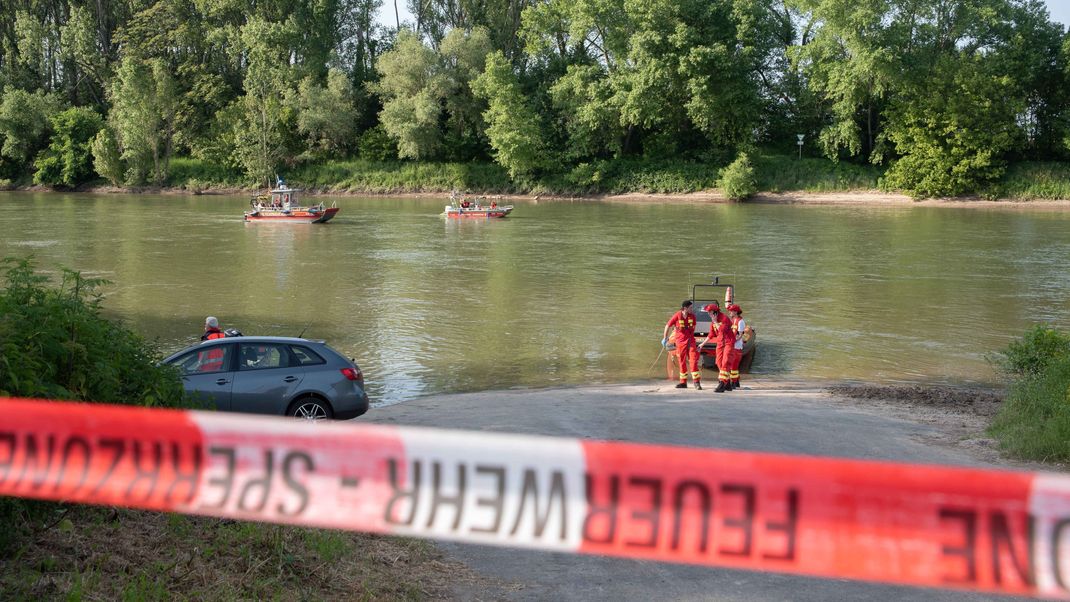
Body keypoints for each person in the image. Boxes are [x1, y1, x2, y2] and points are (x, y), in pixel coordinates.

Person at [662, 300, 702, 390]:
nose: (692, 309)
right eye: (690, 307)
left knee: (693, 361)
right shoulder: (677, 315)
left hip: (691, 341)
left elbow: (693, 328)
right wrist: (665, 338)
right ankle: (683, 382)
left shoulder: (693, 317)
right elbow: (667, 325)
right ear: (685, 308)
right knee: (682, 362)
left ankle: (696, 382)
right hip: (680, 342)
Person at [699, 301, 734, 393]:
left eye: (710, 312)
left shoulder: (724, 318)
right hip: (720, 343)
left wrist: (715, 322)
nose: (708, 314)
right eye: (708, 313)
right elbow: (711, 334)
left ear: (715, 312)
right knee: (718, 362)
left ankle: (722, 383)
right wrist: (702, 344)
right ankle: (728, 383)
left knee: (725, 362)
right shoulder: (713, 321)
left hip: (728, 343)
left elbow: (722, 330)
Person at [727, 304, 747, 390]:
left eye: (731, 311)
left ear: (735, 312)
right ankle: (736, 381)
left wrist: (733, 341)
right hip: (732, 345)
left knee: (734, 366)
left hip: (737, 346)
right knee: (732, 365)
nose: (729, 312)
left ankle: (734, 382)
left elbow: (740, 334)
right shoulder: (732, 320)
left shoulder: (740, 321)